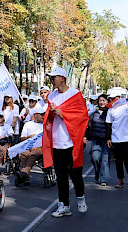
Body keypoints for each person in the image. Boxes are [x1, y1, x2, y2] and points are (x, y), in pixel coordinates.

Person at [42, 67, 88, 217]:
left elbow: (82, 117)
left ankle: (80, 198)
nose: (51, 81)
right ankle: (64, 205)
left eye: (53, 78)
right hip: (57, 142)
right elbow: (48, 117)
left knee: (75, 174)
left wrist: (63, 114)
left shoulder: (75, 94)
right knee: (60, 176)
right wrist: (51, 113)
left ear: (62, 78)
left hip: (71, 142)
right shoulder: (52, 96)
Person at [105, 90, 128, 188]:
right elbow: (108, 124)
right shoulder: (110, 110)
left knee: (126, 156)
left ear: (120, 97)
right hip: (116, 137)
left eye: (114, 98)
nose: (112, 100)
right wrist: (108, 138)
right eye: (111, 99)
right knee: (118, 159)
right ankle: (120, 179)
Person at [15, 108, 44, 185]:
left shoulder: (45, 125)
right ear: (35, 115)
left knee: (32, 154)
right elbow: (22, 138)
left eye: (44, 114)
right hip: (28, 146)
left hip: (41, 147)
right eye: (41, 114)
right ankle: (24, 175)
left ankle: (25, 172)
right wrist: (30, 137)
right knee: (23, 154)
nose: (43, 116)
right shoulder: (28, 124)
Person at [87, 94, 110, 186]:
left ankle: (103, 179)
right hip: (95, 139)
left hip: (106, 140)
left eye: (104, 100)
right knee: (95, 157)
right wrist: (85, 136)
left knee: (105, 160)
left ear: (107, 102)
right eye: (100, 100)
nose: (102, 102)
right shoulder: (93, 113)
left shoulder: (110, 112)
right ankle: (97, 171)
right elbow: (88, 125)